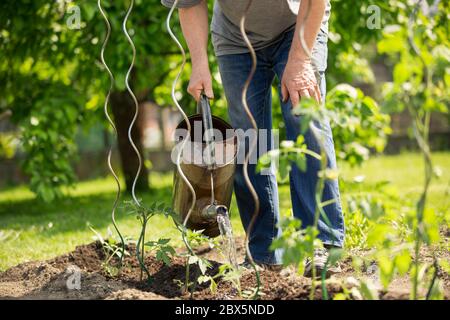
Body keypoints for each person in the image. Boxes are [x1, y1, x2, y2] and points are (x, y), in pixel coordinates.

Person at [162, 0, 345, 276]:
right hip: (237, 38)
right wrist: (199, 63)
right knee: (249, 139)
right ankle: (264, 251)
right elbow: (189, 4)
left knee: (304, 117)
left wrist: (299, 61)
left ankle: (320, 243)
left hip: (299, 24)